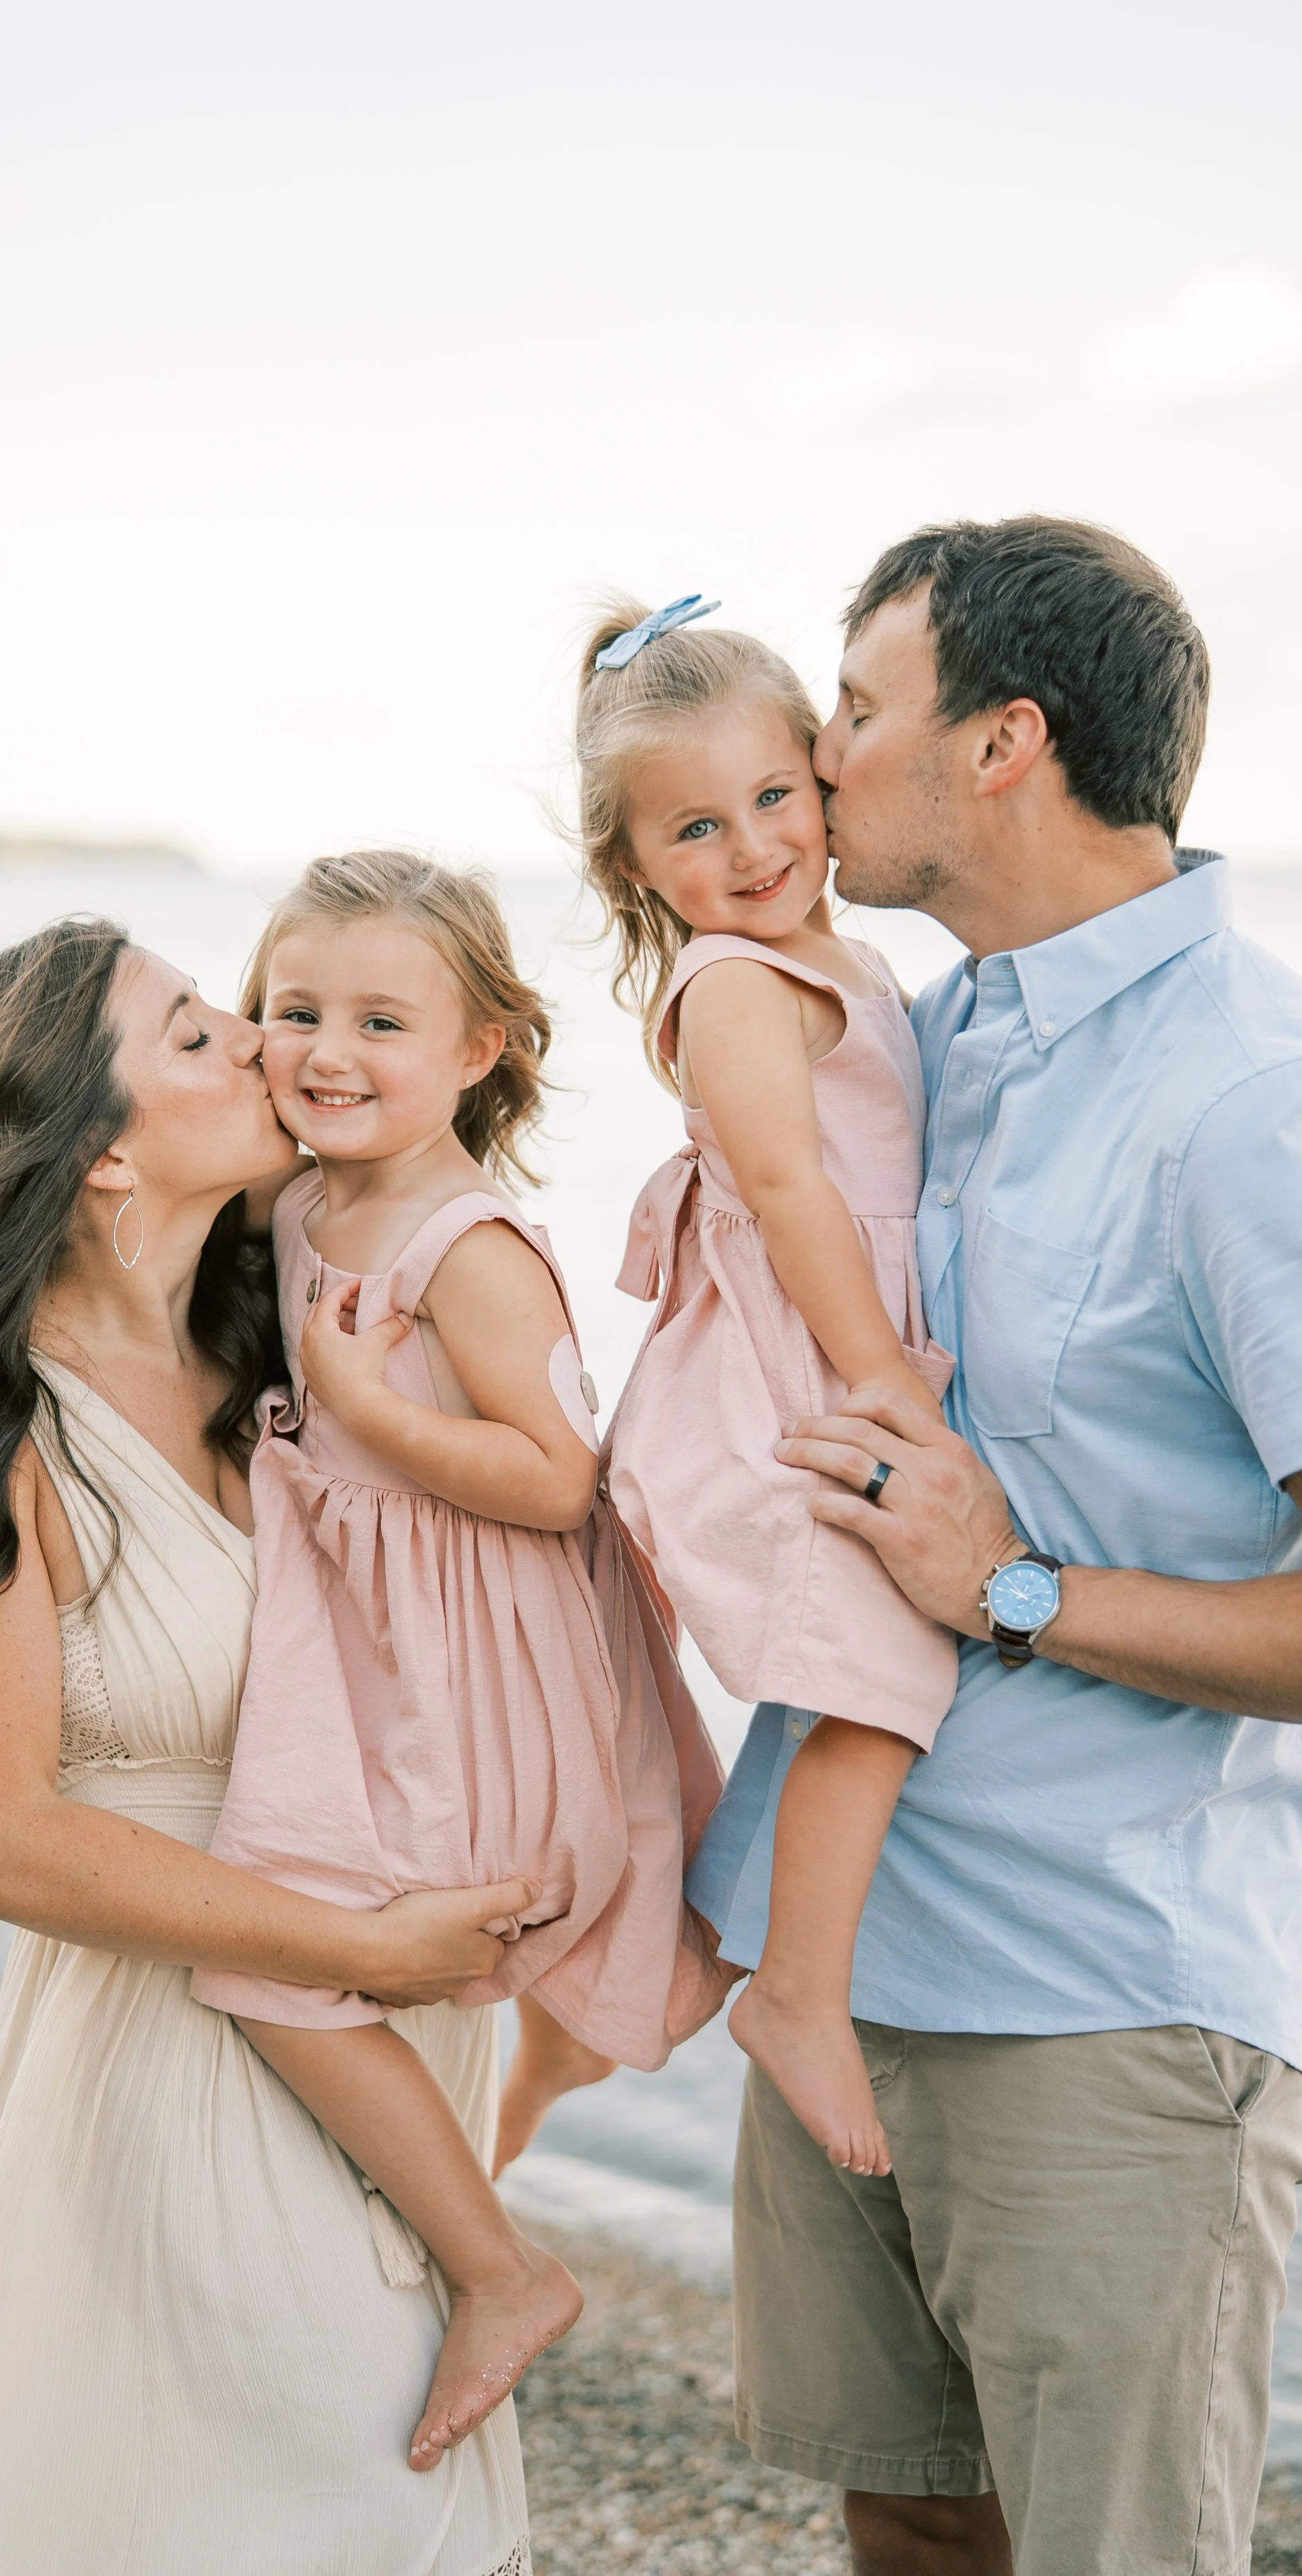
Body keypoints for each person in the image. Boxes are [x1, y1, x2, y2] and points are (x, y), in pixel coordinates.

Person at [0, 918, 542, 2576]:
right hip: (165, 2082)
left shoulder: (288, 1369)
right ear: (103, 1153)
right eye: (198, 1035)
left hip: (379, 2042)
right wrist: (354, 1942)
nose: (263, 1047)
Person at [688, 518, 1302, 2576]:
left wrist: (1015, 1585)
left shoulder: (1249, 1093)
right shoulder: (901, 1038)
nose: (819, 751)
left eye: (855, 711)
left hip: (1098, 1993)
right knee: (910, 2531)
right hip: (846, 1956)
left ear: (1002, 743)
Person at [192, 848, 732, 2469]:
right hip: (357, 1645)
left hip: (468, 1664)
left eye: (380, 1019)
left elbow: (561, 1477)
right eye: (294, 1011)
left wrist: (365, 1410)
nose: (327, 1051)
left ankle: (501, 2266)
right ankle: (512, 2116)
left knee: (279, 1959)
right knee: (343, 1935)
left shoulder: (469, 1247)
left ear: (480, 1048)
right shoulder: (290, 1202)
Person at [572, 598, 958, 2179]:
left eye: (774, 799)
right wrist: (889, 1386)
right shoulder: (733, 981)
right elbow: (790, 1197)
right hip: (791, 1378)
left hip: (833, 1351)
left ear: (820, 775)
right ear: (634, 870)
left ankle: (711, 1939)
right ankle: (791, 1993)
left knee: (849, 1670)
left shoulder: (842, 956)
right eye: (694, 828)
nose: (748, 848)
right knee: (879, 1669)